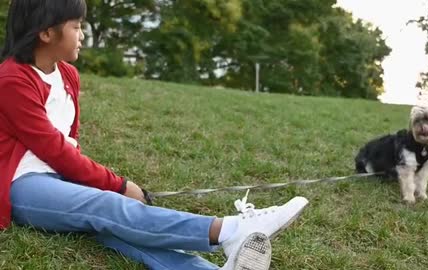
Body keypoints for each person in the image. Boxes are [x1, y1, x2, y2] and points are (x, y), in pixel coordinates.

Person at [0, 1, 309, 269]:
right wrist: (119, 185)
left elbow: (71, 141)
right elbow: (55, 149)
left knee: (120, 228)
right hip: (23, 185)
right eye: (77, 27)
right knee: (108, 207)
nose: (82, 36)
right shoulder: (12, 80)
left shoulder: (68, 74)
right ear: (46, 32)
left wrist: (99, 183)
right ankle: (229, 230)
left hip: (63, 179)